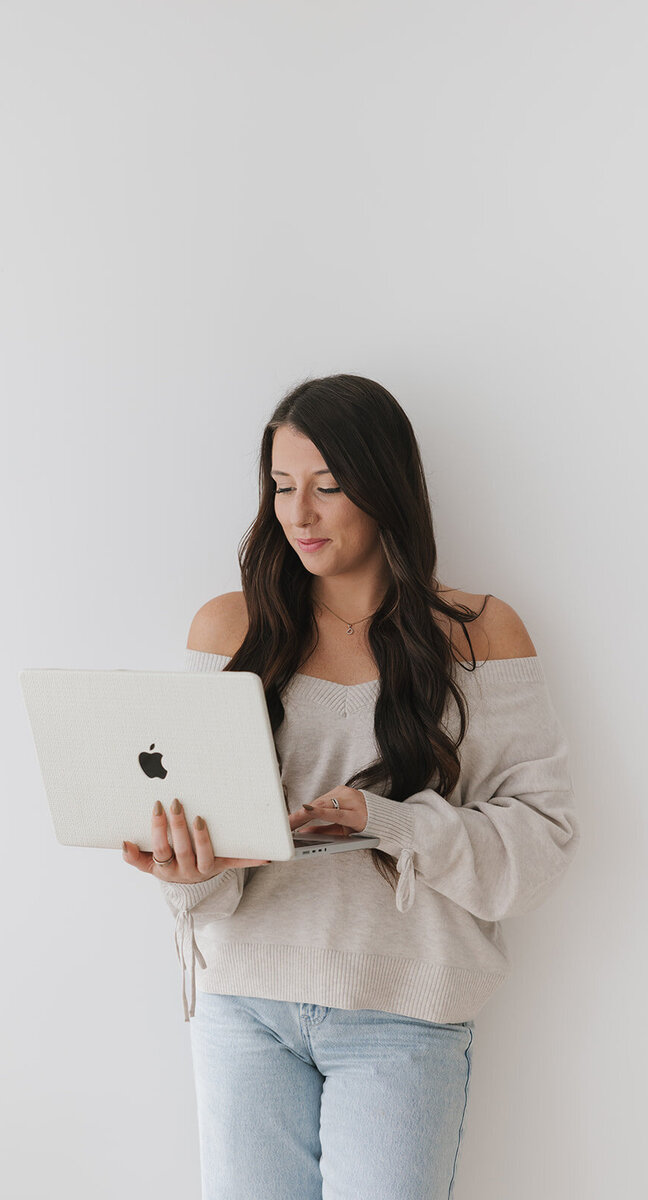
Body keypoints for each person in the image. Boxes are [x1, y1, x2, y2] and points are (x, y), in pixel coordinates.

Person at [122, 374, 581, 1200]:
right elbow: (202, 841)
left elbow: (540, 845)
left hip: (403, 1012)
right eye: (283, 486)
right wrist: (189, 877)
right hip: (242, 1005)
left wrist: (393, 824)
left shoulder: (479, 635)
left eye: (328, 488)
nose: (299, 514)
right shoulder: (229, 630)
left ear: (385, 489)